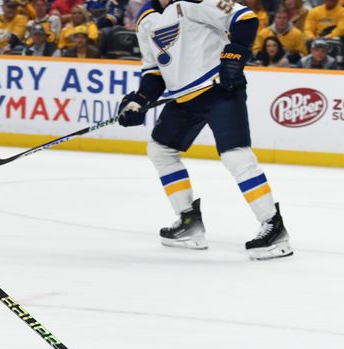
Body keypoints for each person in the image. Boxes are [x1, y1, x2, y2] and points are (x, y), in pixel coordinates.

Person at [118, 0, 293, 260]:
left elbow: (245, 19)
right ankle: (189, 221)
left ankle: (273, 225)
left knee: (235, 155)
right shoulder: (144, 18)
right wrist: (139, 99)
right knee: (160, 150)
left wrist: (234, 56)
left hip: (219, 89)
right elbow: (154, 71)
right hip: (183, 98)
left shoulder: (194, 2)